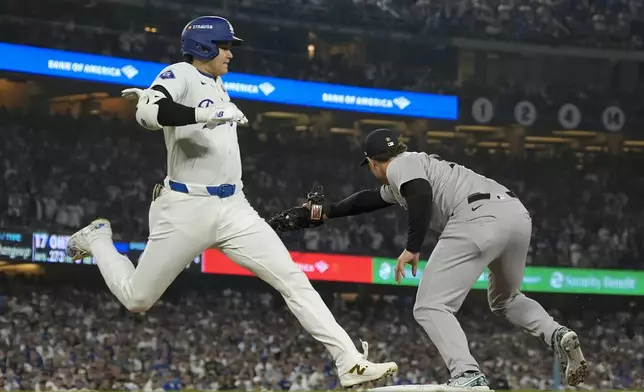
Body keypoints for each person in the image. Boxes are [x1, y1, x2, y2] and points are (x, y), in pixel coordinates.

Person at [65, 16, 397, 388]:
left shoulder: (217, 83)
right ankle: (97, 237)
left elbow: (163, 107)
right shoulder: (181, 72)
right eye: (225, 46)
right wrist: (191, 110)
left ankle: (348, 360)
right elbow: (147, 116)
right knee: (138, 299)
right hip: (187, 207)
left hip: (234, 207)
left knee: (292, 278)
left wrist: (165, 100)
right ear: (204, 47)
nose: (230, 53)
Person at [268, 128, 588, 390]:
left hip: (475, 218)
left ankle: (468, 376)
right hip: (515, 216)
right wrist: (325, 213)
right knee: (505, 300)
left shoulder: (402, 165)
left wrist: (413, 246)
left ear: (373, 162)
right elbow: (366, 201)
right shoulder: (411, 170)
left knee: (429, 305)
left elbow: (420, 194)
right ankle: (557, 334)